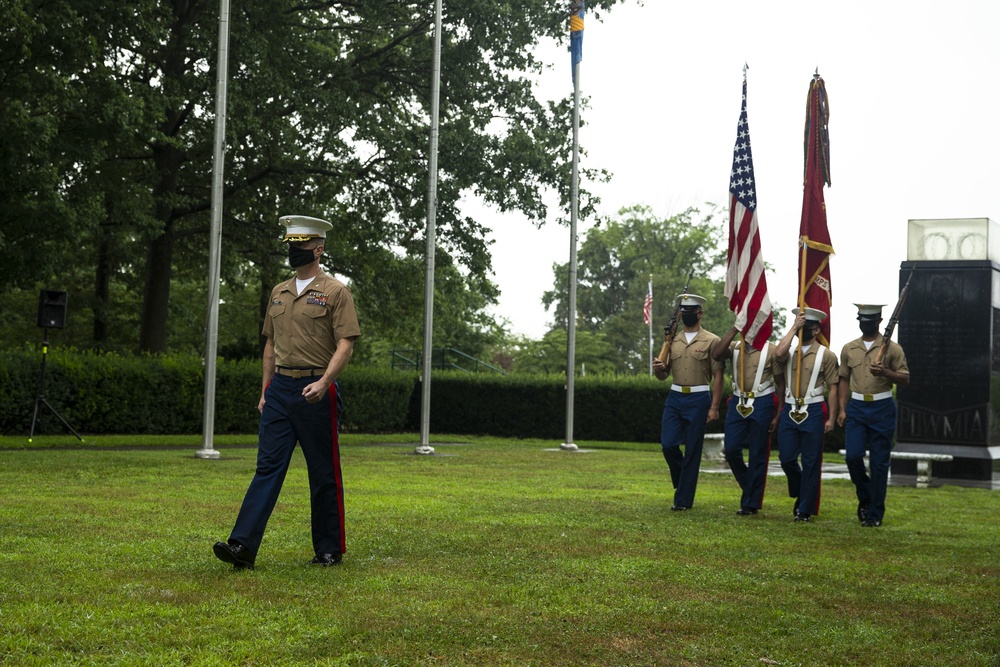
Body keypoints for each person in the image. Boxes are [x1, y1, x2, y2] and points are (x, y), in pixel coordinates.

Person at [214, 215, 361, 569]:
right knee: (266, 468)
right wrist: (266, 390)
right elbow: (269, 345)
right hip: (280, 389)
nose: (295, 253)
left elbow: (346, 345)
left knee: (323, 472)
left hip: (315, 389)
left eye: (301, 248)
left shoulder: (336, 292)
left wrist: (324, 382)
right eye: (291, 248)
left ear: (319, 249)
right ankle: (242, 547)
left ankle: (329, 550)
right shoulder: (278, 293)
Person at [837, 304, 910, 527]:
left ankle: (875, 514)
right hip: (857, 408)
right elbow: (843, 379)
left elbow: (905, 378)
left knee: (879, 464)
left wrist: (885, 372)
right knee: (852, 456)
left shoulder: (893, 349)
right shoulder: (849, 348)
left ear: (879, 322)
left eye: (869, 320)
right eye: (861, 320)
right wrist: (841, 409)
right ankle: (867, 496)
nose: (864, 323)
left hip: (882, 408)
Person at [652, 294, 724, 511]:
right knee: (668, 444)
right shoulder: (672, 340)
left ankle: (682, 501)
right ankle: (683, 481)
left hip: (699, 397)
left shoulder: (712, 340)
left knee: (693, 449)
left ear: (700, 313)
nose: (687, 316)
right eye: (683, 313)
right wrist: (659, 370)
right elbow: (664, 376)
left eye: (691, 313)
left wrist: (714, 406)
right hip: (675, 397)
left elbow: (718, 376)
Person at [712, 323, 785, 516]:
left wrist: (779, 413)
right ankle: (750, 486)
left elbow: (780, 384)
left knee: (758, 454)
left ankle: (750, 503)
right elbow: (717, 354)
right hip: (738, 400)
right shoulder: (735, 347)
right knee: (731, 448)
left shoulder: (772, 350)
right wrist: (734, 328)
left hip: (762, 401)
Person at [774, 307, 839, 522]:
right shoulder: (789, 351)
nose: (804, 331)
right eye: (802, 326)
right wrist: (794, 327)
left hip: (813, 408)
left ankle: (805, 509)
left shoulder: (826, 355)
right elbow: (778, 354)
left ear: (816, 328)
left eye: (807, 327)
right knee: (786, 458)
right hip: (790, 409)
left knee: (811, 461)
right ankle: (802, 490)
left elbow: (833, 387)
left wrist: (831, 416)